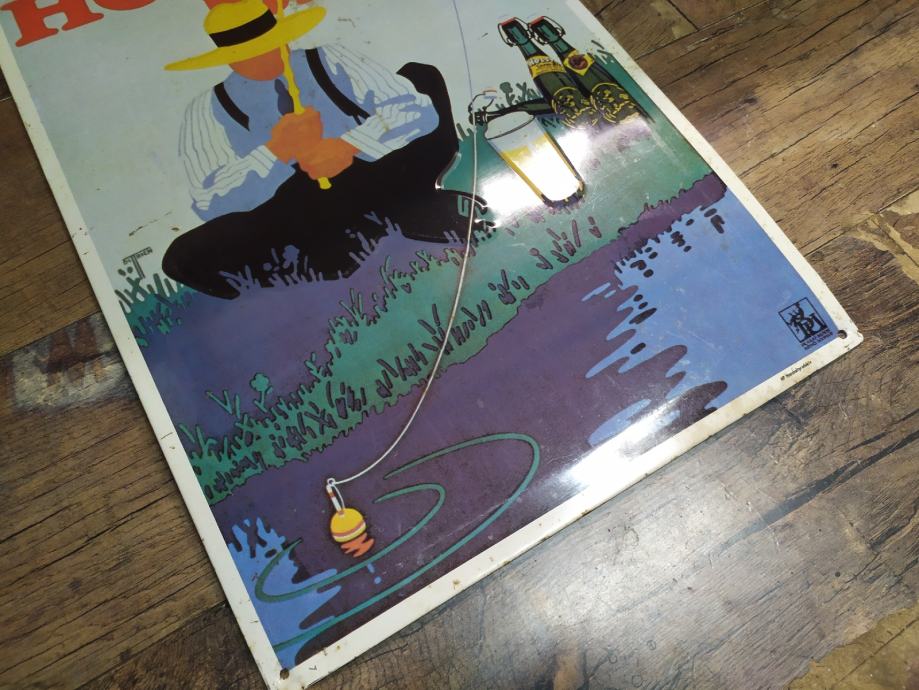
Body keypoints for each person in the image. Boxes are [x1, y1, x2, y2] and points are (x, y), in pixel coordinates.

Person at [162, 0, 481, 298]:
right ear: (229, 58)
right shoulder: (207, 110)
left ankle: (410, 210)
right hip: (304, 214)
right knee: (184, 256)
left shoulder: (327, 59)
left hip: (379, 177)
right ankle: (321, 269)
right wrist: (275, 152)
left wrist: (348, 146)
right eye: (249, 55)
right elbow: (210, 199)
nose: (264, 58)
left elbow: (417, 110)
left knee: (420, 76)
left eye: (270, 45)